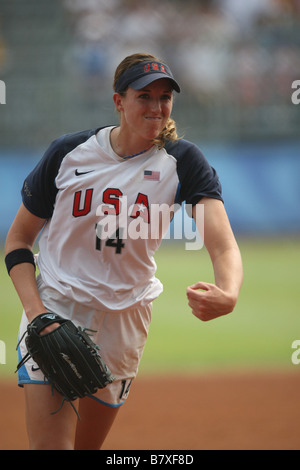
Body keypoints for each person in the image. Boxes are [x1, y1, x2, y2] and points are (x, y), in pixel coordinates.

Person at [4, 52, 243, 450]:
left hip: (126, 320)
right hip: (56, 308)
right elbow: (17, 242)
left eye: (164, 97)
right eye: (144, 96)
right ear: (119, 101)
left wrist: (229, 290)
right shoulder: (69, 153)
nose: (157, 107)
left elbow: (222, 243)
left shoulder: (182, 161)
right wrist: (37, 313)